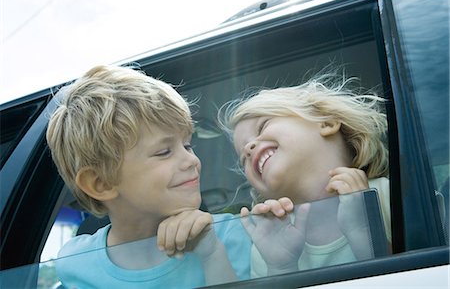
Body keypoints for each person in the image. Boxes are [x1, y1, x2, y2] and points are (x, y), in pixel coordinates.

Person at [46, 65, 251, 288]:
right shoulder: (75, 264)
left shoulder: (231, 234)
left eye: (187, 145)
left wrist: (212, 255)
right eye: (164, 152)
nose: (192, 160)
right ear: (101, 183)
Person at [218, 72, 391, 278]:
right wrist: (281, 268)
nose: (248, 148)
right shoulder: (267, 242)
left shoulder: (386, 195)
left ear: (325, 122)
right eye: (243, 158)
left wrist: (366, 233)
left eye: (263, 126)